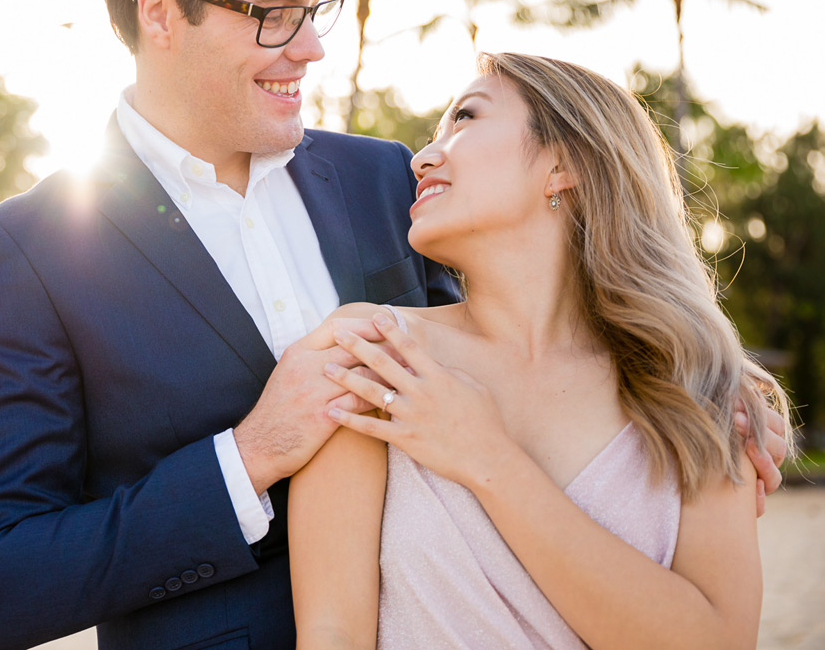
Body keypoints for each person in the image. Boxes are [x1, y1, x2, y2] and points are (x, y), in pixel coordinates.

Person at [0, 0, 459, 650]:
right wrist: (252, 454)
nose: (310, 47)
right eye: (273, 13)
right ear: (160, 13)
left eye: (315, 7)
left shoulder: (384, 176)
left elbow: (512, 362)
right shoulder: (29, 251)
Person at [289, 53, 793, 650]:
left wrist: (488, 457)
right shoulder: (376, 354)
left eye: (466, 118)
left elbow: (718, 641)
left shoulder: (694, 387)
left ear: (564, 163)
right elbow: (331, 633)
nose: (422, 158)